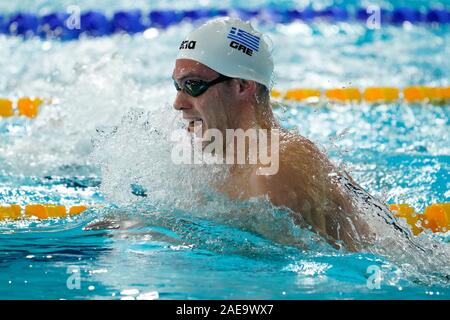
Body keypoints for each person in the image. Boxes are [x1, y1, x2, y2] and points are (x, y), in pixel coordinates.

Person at [171, 17, 386, 252]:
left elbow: (324, 271)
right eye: (178, 86)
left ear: (242, 86)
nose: (178, 103)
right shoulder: (218, 163)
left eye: (193, 85)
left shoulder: (278, 165)